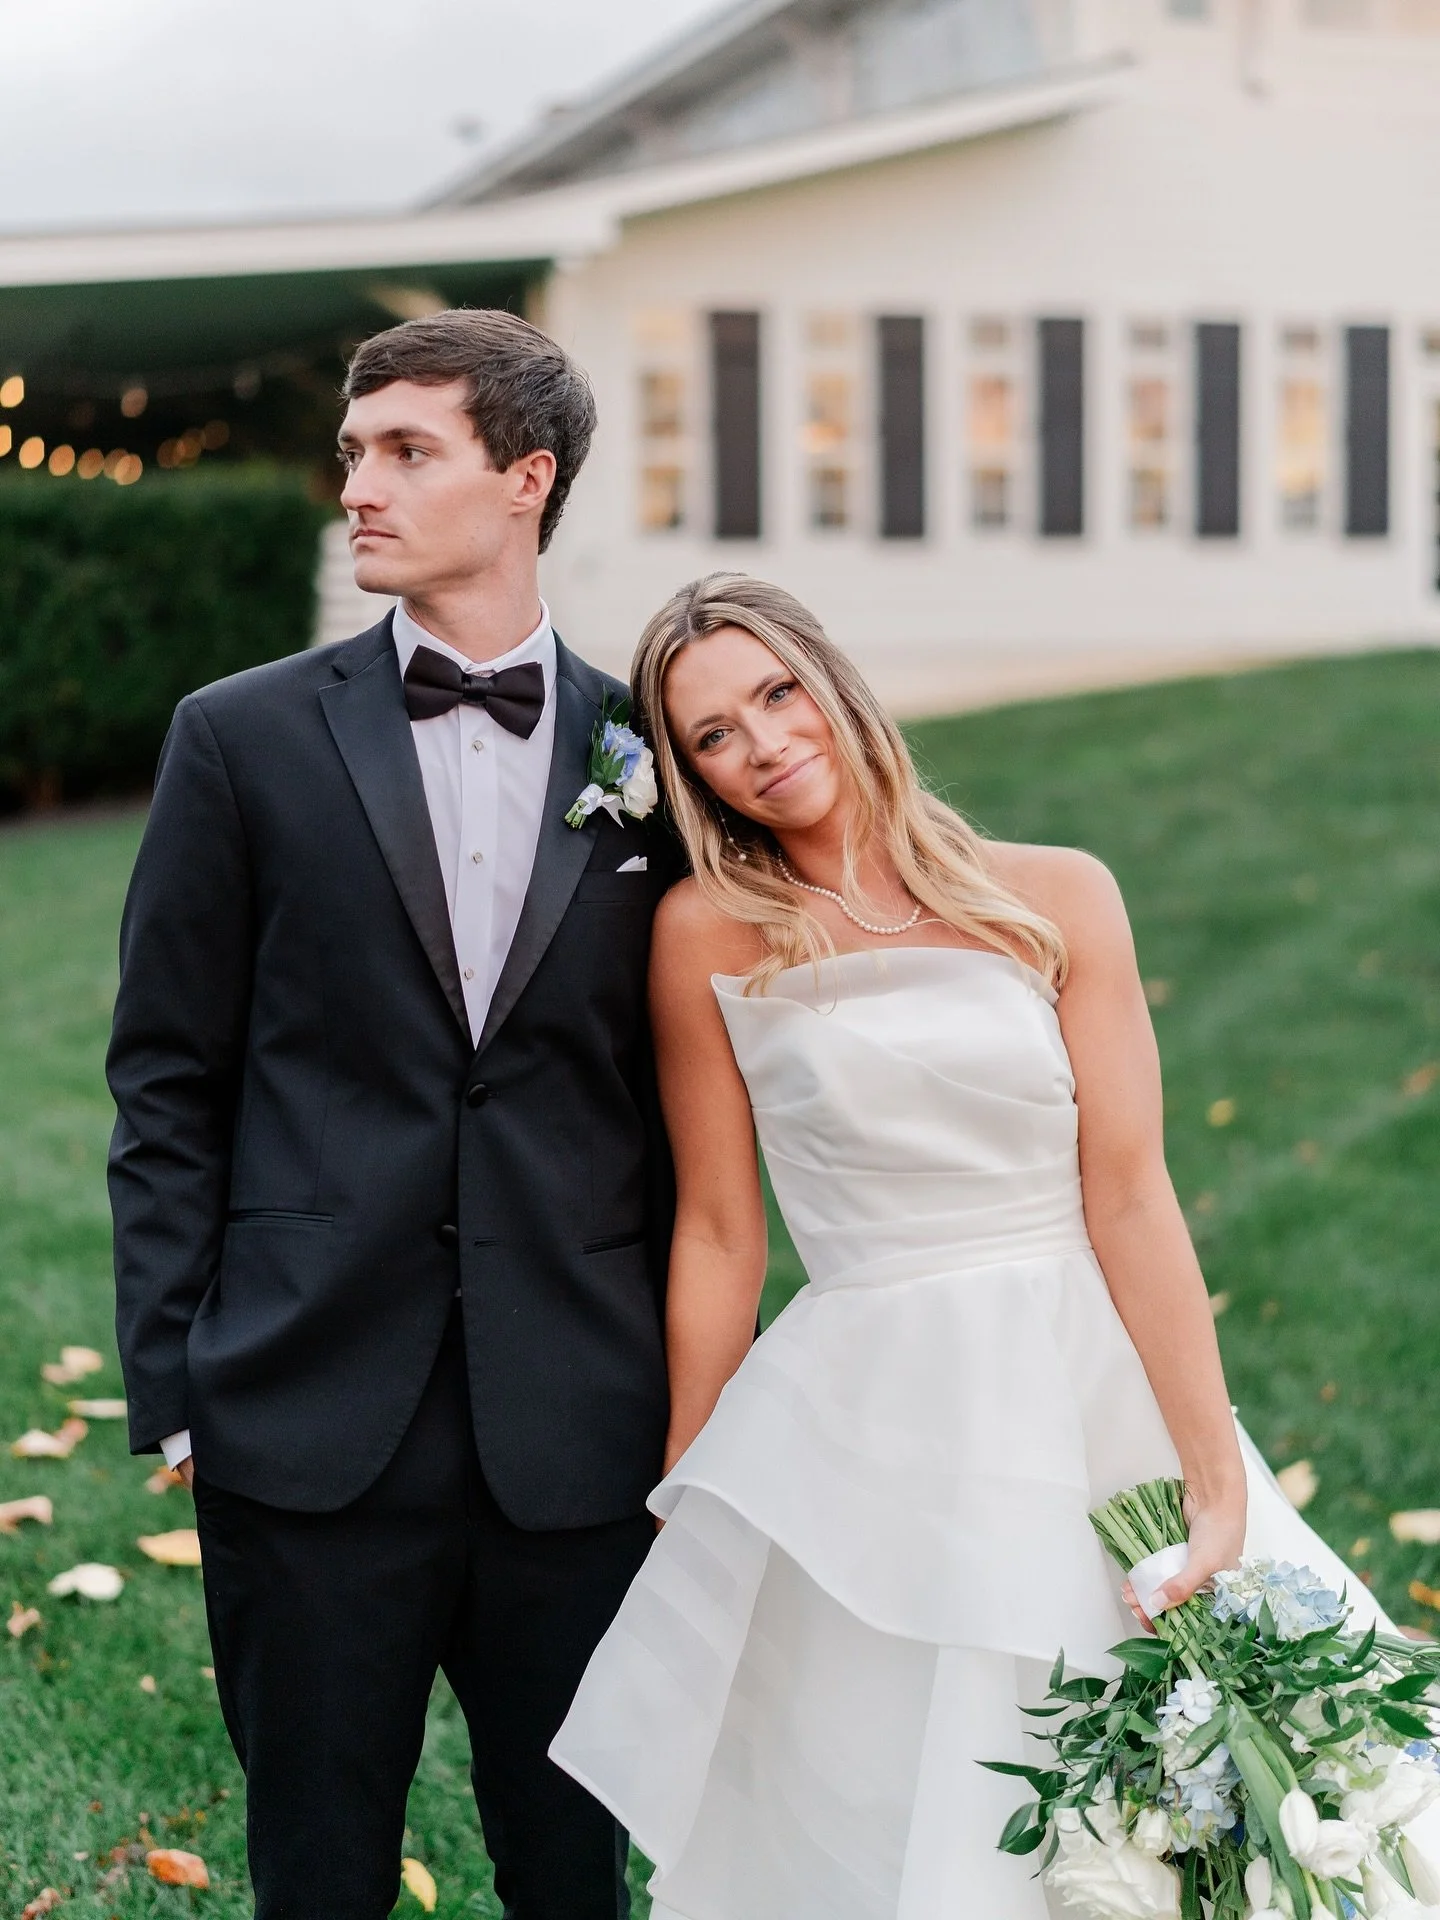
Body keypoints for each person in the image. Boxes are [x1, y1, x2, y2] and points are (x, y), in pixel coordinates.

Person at [549, 573, 1417, 1920]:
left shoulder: (1056, 894)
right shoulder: (702, 933)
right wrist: (693, 1474)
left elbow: (1131, 1196)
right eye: (714, 734)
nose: (764, 744)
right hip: (870, 1407)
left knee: (1213, 1783)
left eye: (778, 694)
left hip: (1084, 1384)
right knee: (882, 1784)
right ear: (692, 773)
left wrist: (1212, 1475)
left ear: (833, 684)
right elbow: (720, 1231)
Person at [107, 308, 676, 1920]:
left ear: (527, 478)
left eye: (408, 452)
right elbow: (167, 1076)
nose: (358, 487)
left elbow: (690, 1099)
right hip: (303, 1418)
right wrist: (183, 1386)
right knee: (316, 1869)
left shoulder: (652, 751)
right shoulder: (238, 738)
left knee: (575, 1873)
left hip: (576, 1428)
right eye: (355, 452)